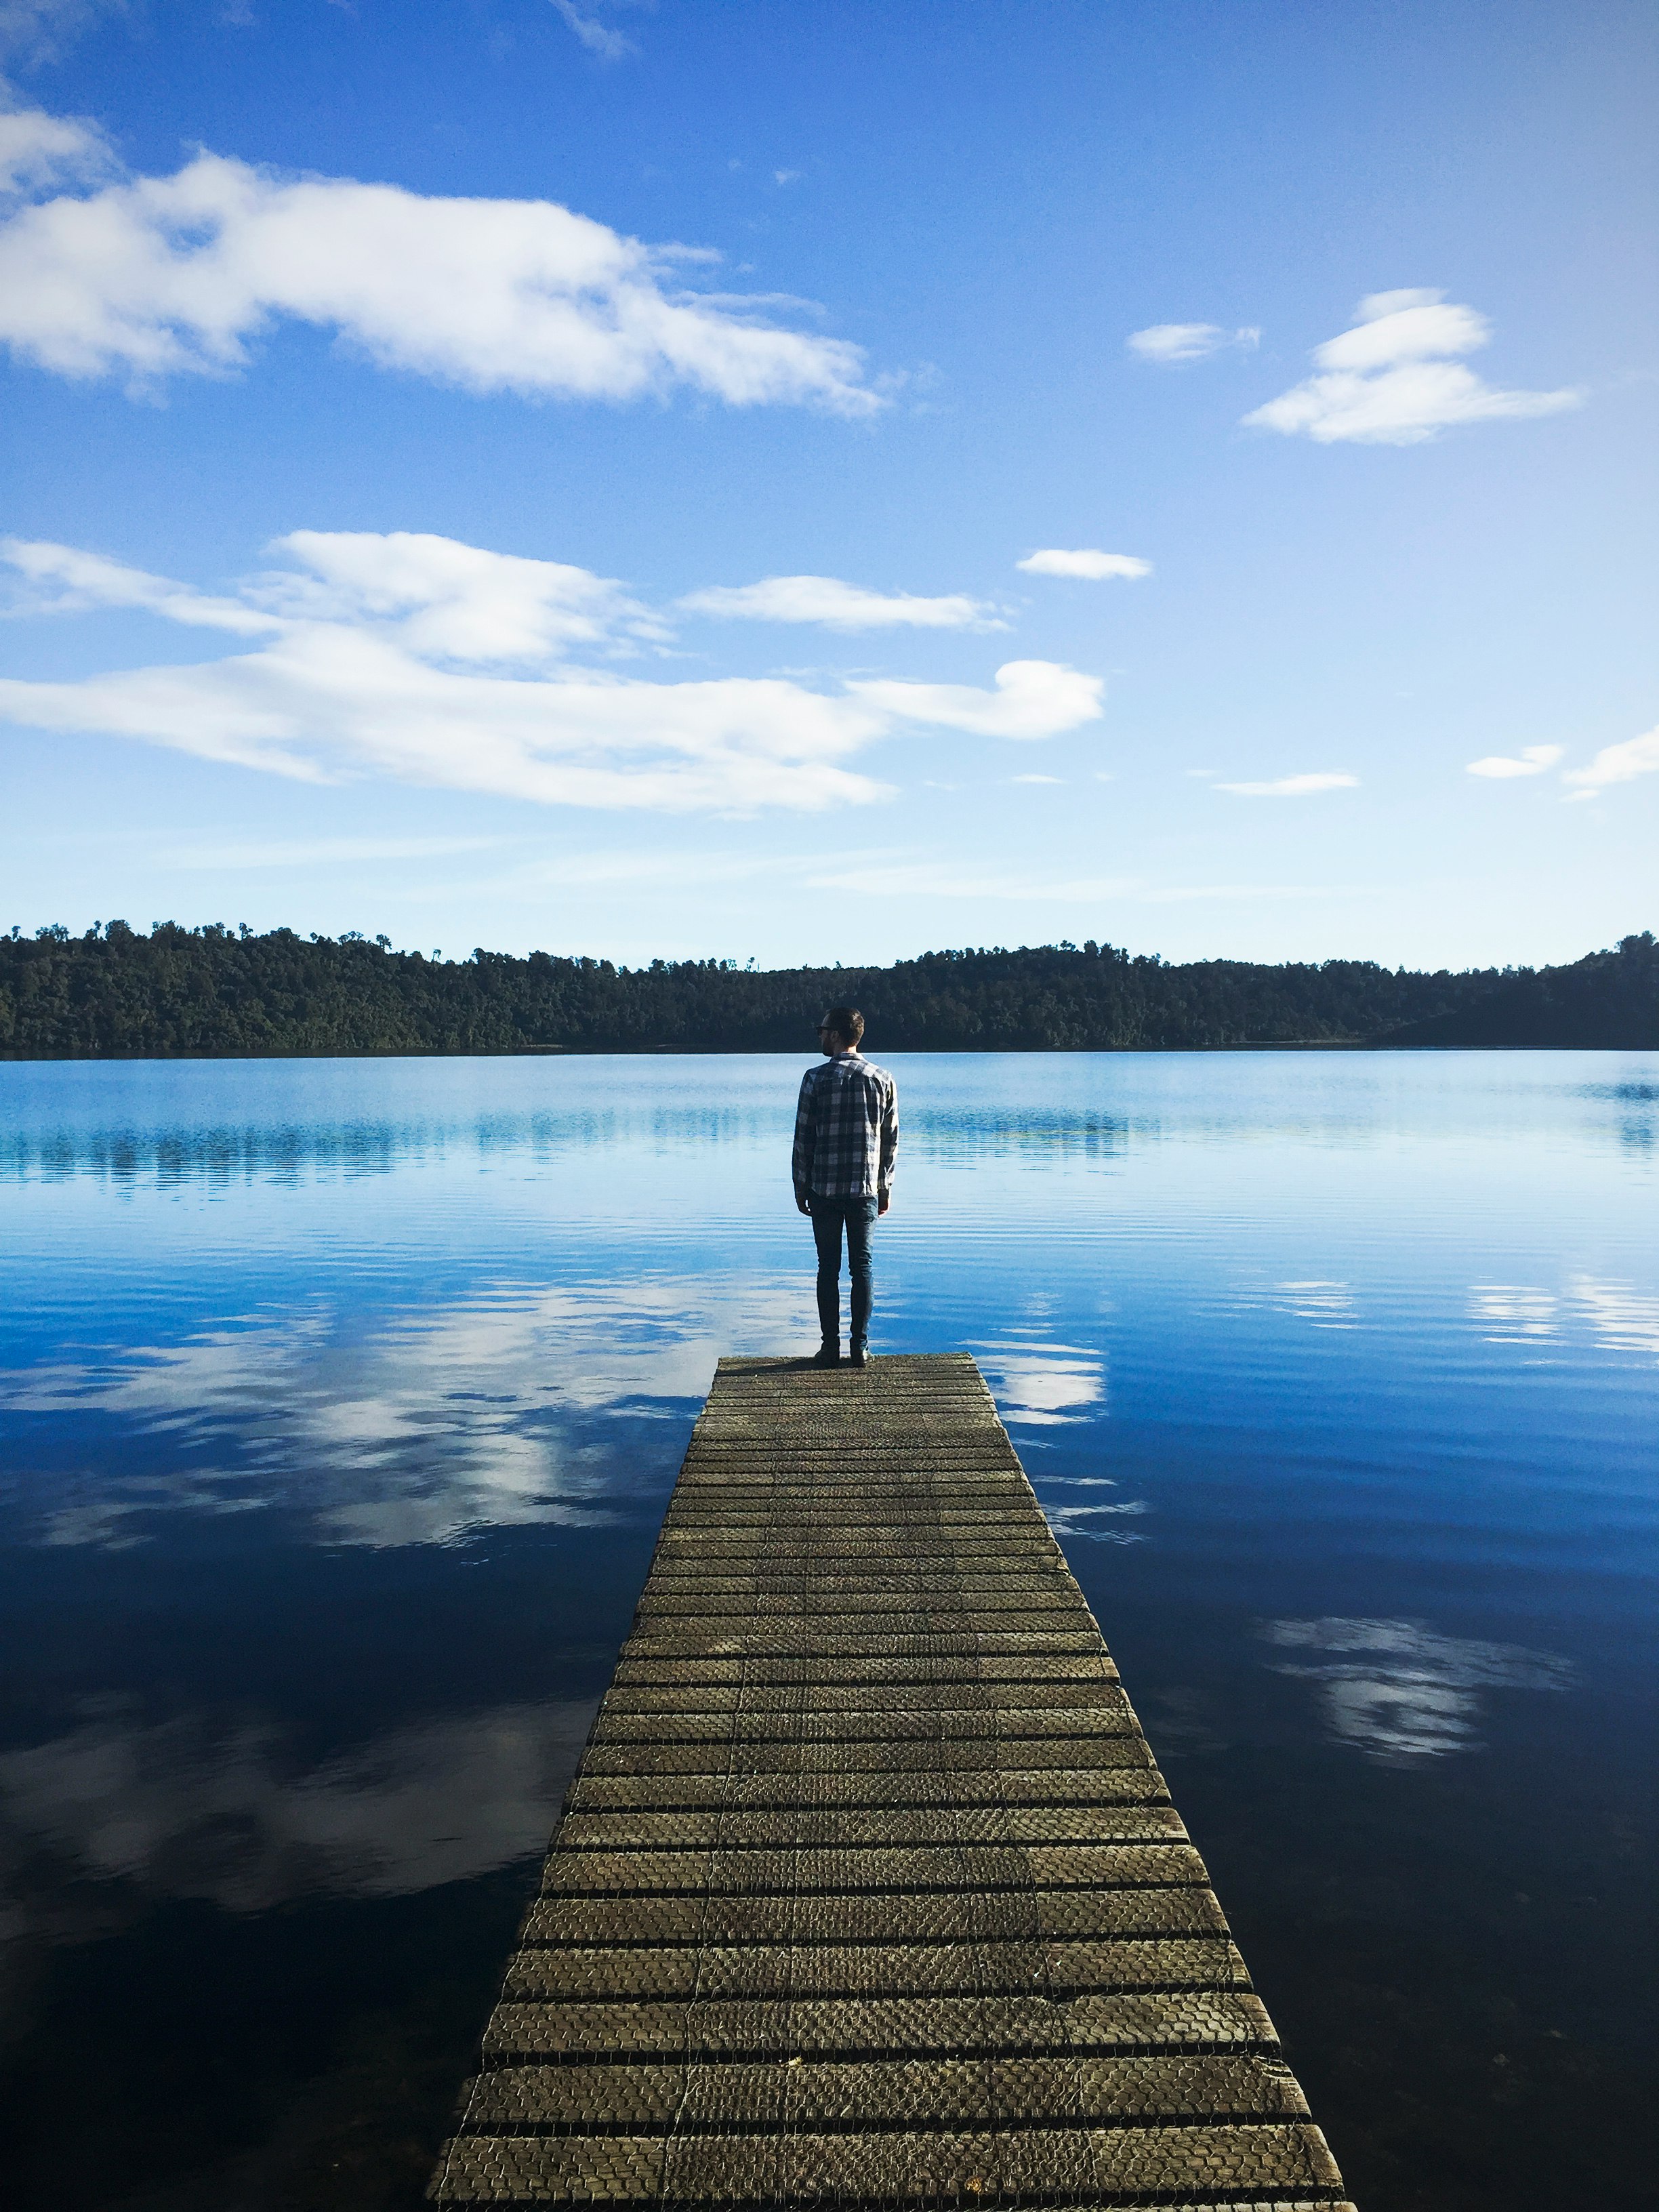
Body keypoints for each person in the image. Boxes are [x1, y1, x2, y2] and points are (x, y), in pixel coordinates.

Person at [792, 1006, 899, 1369]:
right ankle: (860, 1347)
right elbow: (890, 1140)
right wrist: (884, 1187)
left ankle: (829, 1347)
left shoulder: (815, 1078)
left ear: (837, 1035)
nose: (820, 1036)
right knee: (862, 1268)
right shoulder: (882, 1078)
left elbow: (803, 1138)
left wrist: (799, 1185)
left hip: (823, 1188)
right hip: (864, 1190)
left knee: (828, 1268)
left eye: (822, 1030)